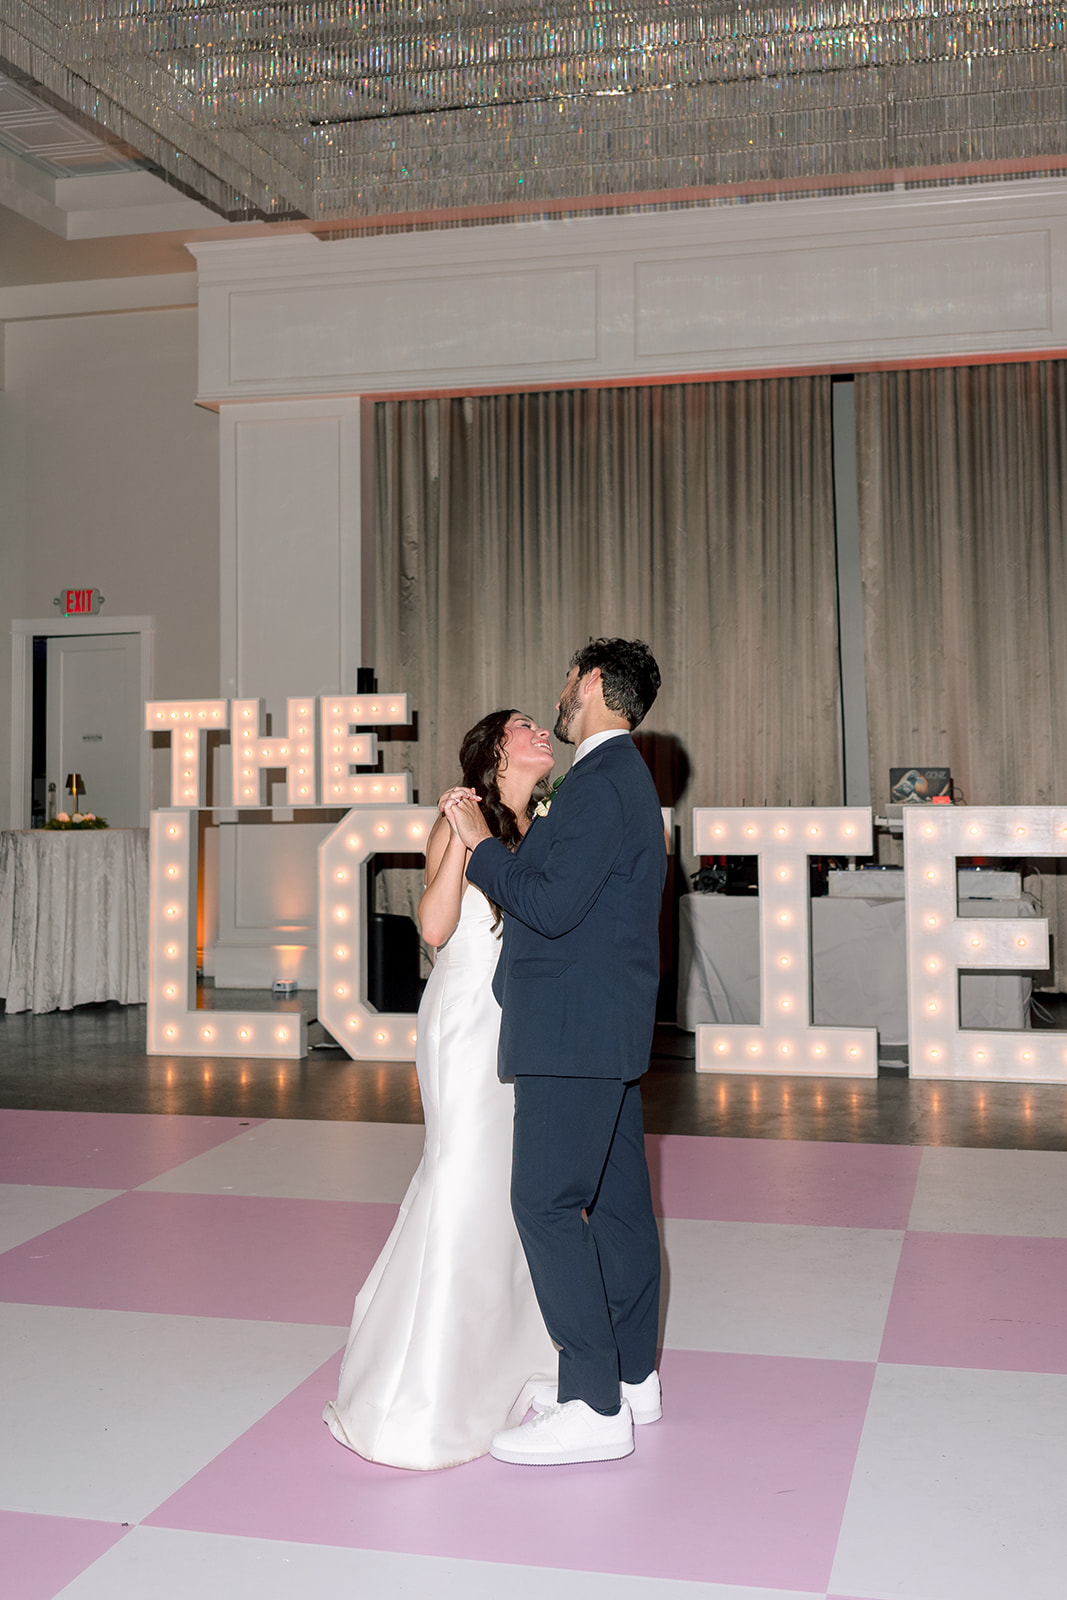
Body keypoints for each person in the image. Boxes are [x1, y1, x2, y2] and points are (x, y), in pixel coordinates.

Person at [444, 638, 666, 1467]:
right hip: (599, 1027)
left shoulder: (600, 781)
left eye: (568, 682)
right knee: (618, 1211)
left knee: (543, 1206)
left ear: (595, 683)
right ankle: (632, 1380)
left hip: (570, 1030)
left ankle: (591, 1402)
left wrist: (479, 842)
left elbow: (548, 905)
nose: (559, 697)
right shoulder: (616, 777)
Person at [323, 709, 557, 1469]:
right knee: (460, 1176)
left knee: (517, 1186)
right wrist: (461, 833)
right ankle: (427, 1385)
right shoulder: (458, 821)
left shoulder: (547, 823)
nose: (541, 733)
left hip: (528, 1017)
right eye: (524, 726)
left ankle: (516, 1360)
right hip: (465, 1019)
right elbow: (432, 926)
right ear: (494, 751)